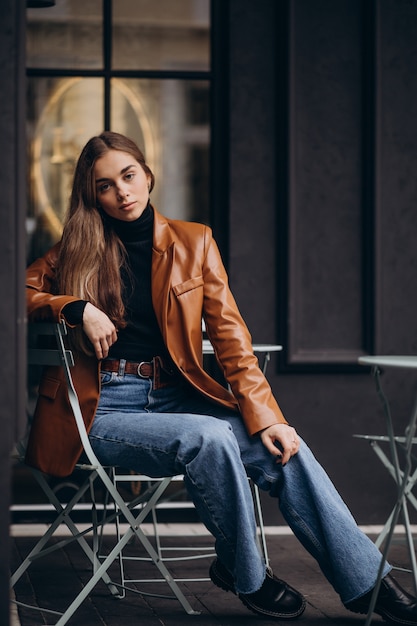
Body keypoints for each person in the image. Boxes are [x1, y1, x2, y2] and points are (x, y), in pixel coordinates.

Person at [26, 130, 417, 623]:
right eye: (105, 186)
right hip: (98, 409)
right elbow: (18, 292)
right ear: (93, 195)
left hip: (169, 397)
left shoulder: (194, 242)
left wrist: (269, 418)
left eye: (128, 176)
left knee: (284, 449)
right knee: (208, 435)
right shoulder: (75, 249)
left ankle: (367, 583)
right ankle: (245, 574)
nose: (122, 192)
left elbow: (231, 339)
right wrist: (73, 306)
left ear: (147, 175)